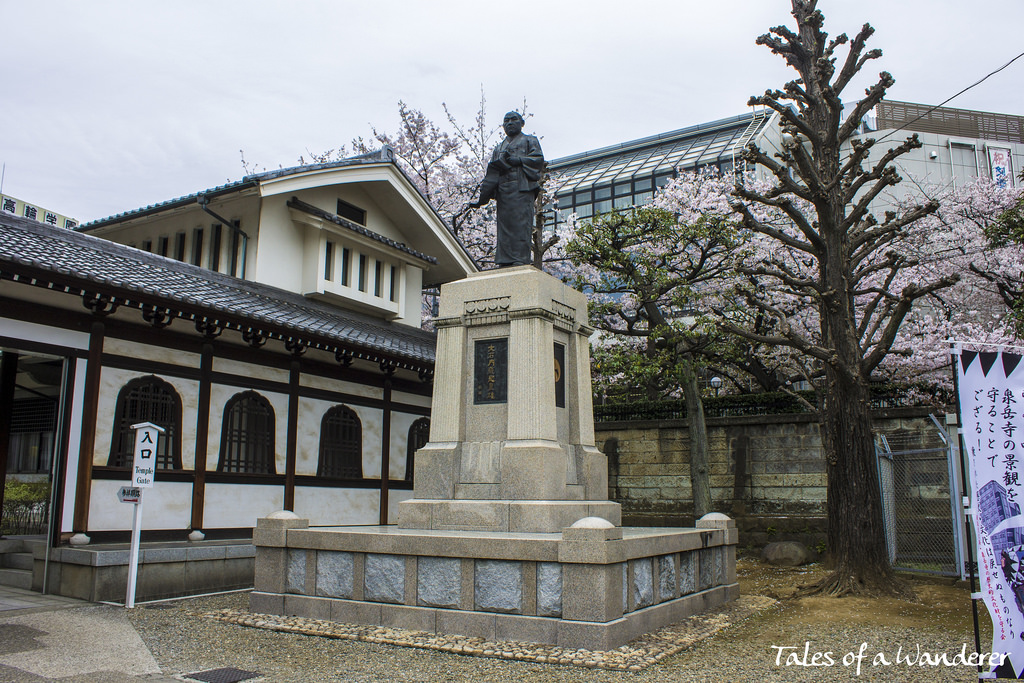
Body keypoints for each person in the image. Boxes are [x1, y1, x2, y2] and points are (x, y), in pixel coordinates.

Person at [468, 111, 544, 267]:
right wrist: (482, 199)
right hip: (504, 192)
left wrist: (518, 160)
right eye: (506, 121)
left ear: (522, 123)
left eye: (513, 120)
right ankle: (504, 260)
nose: (509, 123)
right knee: (504, 228)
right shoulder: (499, 148)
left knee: (521, 224)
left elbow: (538, 160)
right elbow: (492, 173)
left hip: (522, 189)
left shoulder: (530, 140)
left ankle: (520, 259)